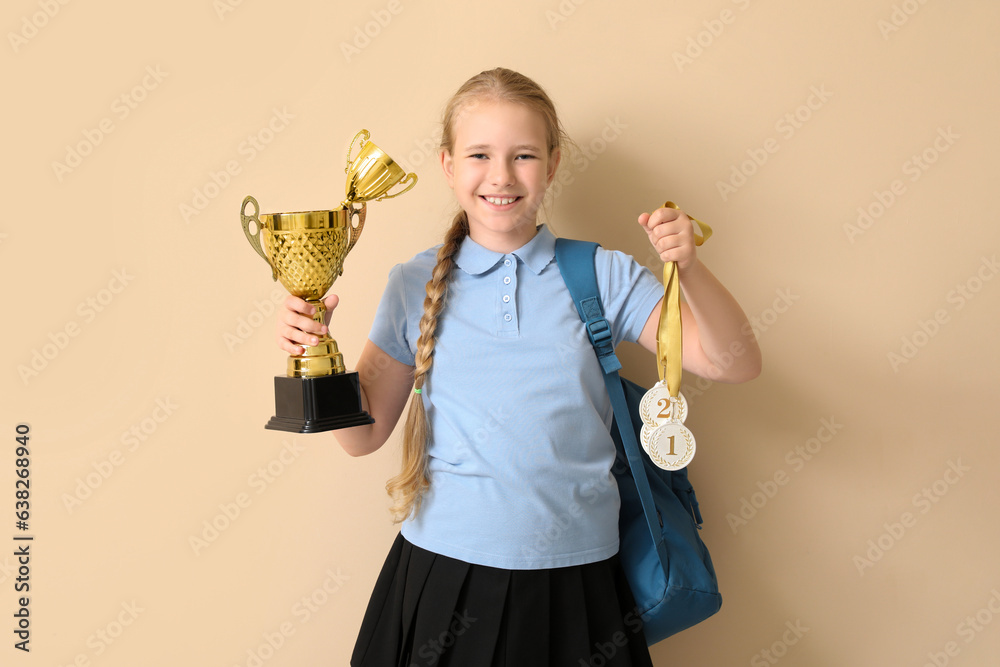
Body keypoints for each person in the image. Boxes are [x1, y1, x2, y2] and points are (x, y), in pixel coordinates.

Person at [276, 67, 761, 666]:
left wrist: (689, 267)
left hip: (580, 584)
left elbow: (733, 363)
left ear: (553, 165)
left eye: (523, 155)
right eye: (479, 154)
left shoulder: (600, 274)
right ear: (449, 165)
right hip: (443, 582)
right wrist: (313, 356)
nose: (501, 176)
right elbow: (364, 436)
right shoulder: (412, 283)